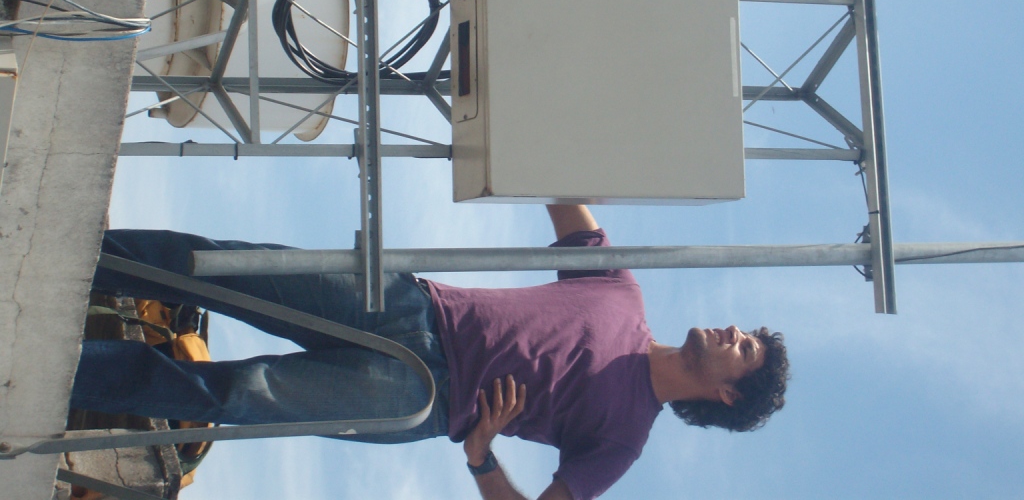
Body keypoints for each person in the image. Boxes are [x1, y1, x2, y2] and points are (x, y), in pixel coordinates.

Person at [72, 205, 790, 500]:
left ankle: (63, 370)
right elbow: (565, 193)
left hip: (420, 399)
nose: (732, 331)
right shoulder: (622, 293)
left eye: (746, 349)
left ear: (728, 394)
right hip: (411, 305)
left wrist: (480, 456)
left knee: (225, 395)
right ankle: (67, 255)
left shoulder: (623, 440)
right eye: (744, 331)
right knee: (226, 268)